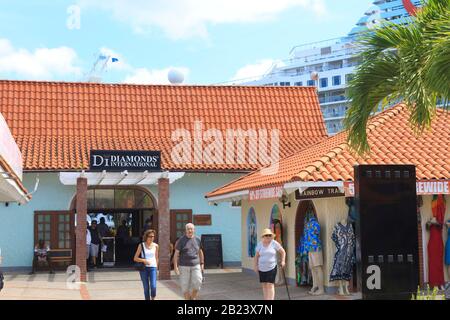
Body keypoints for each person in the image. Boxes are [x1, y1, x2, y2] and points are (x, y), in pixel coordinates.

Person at [173, 223, 204, 300]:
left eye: (191, 229)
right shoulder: (181, 240)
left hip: (196, 265)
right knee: (184, 286)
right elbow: (176, 254)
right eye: (188, 229)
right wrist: (175, 267)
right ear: (185, 230)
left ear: (194, 230)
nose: (190, 230)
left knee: (198, 282)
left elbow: (200, 252)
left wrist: (202, 263)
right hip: (183, 266)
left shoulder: (198, 239)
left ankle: (193, 297)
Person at [254, 228, 286, 300]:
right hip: (261, 268)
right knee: (264, 285)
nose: (268, 236)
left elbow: (283, 252)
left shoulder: (274, 243)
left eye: (269, 235)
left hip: (271, 267)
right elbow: (256, 256)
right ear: (263, 236)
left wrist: (283, 261)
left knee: (270, 284)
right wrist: (255, 266)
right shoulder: (260, 244)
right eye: (266, 235)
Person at [134, 229, 159, 300]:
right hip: (144, 268)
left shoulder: (156, 246)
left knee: (153, 286)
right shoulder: (141, 245)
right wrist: (143, 260)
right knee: (146, 287)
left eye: (153, 236)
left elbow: (156, 258)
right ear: (146, 237)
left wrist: (156, 268)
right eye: (150, 236)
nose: (152, 238)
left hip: (153, 268)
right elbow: (135, 258)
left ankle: (153, 297)